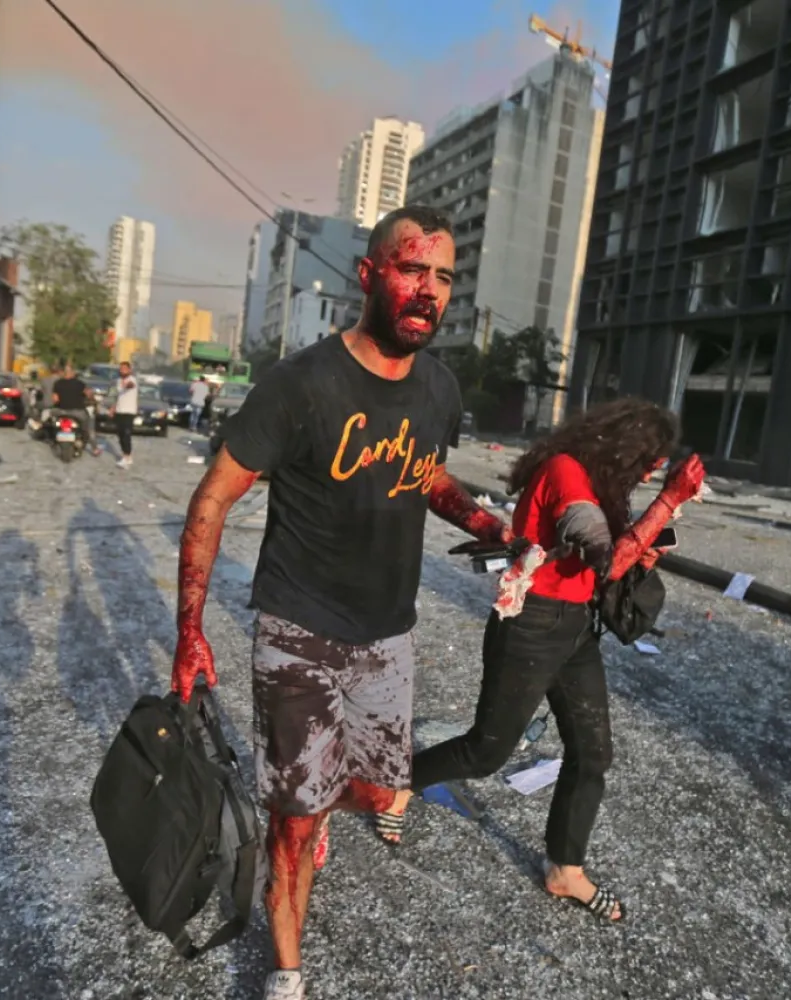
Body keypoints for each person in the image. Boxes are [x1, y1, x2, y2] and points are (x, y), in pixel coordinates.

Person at [170, 206, 510, 1000]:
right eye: (411, 269)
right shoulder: (300, 385)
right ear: (369, 274)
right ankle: (287, 972)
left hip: (388, 637)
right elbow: (213, 497)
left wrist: (488, 525)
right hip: (300, 630)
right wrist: (190, 630)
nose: (429, 291)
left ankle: (316, 804)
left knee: (381, 792)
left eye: (443, 277)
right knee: (293, 822)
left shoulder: (440, 388)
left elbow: (425, 472)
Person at [408, 400, 705, 924]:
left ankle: (565, 866)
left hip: (575, 628)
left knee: (592, 753)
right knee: (486, 751)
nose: (649, 473)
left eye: (657, 466)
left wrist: (651, 542)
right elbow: (607, 560)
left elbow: (612, 560)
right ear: (625, 448)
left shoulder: (601, 480)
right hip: (533, 624)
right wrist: (668, 500)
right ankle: (393, 783)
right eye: (648, 462)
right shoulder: (566, 473)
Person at [49, 363, 93, 450]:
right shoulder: (80, 384)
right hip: (77, 412)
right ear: (73, 373)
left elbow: (55, 399)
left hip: (60, 411)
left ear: (64, 373)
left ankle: (53, 437)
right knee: (86, 425)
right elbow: (89, 394)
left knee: (51, 421)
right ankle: (84, 439)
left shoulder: (57, 383)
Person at [108, 361, 139, 469]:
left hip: (129, 411)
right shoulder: (118, 381)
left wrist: (126, 385)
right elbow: (117, 396)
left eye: (125, 369)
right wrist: (112, 408)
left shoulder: (132, 379)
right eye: (121, 369)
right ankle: (127, 455)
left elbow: (131, 385)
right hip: (119, 410)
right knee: (120, 434)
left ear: (129, 370)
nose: (122, 371)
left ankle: (126, 457)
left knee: (126, 434)